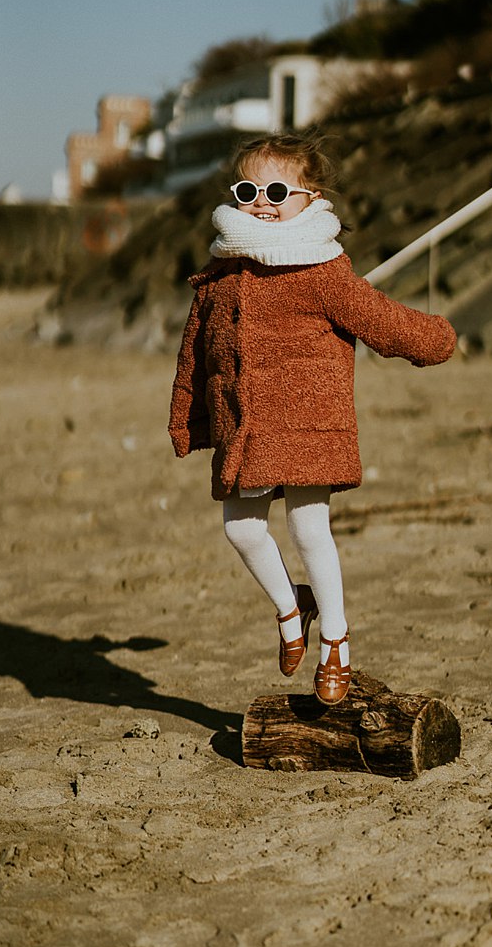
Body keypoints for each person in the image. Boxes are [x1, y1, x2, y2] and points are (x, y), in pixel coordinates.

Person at [167, 132, 457, 705]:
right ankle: (289, 606)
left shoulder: (323, 269)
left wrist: (436, 338)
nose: (262, 201)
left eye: (278, 189)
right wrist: (186, 419)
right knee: (241, 528)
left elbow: (383, 322)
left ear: (311, 195)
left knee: (307, 527)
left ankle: (335, 642)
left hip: (311, 423)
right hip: (245, 427)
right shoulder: (222, 272)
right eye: (249, 189)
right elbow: (195, 353)